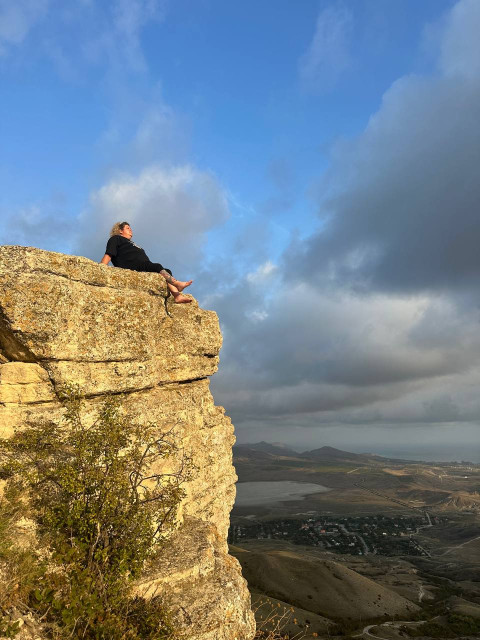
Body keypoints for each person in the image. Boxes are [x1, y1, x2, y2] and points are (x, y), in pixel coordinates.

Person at [99, 222, 193, 303]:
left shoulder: (132, 243)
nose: (131, 230)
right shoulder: (116, 238)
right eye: (127, 228)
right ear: (120, 230)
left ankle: (177, 296)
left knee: (166, 270)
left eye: (131, 228)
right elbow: (109, 253)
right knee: (157, 266)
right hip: (131, 265)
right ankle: (177, 284)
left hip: (143, 264)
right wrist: (102, 267)